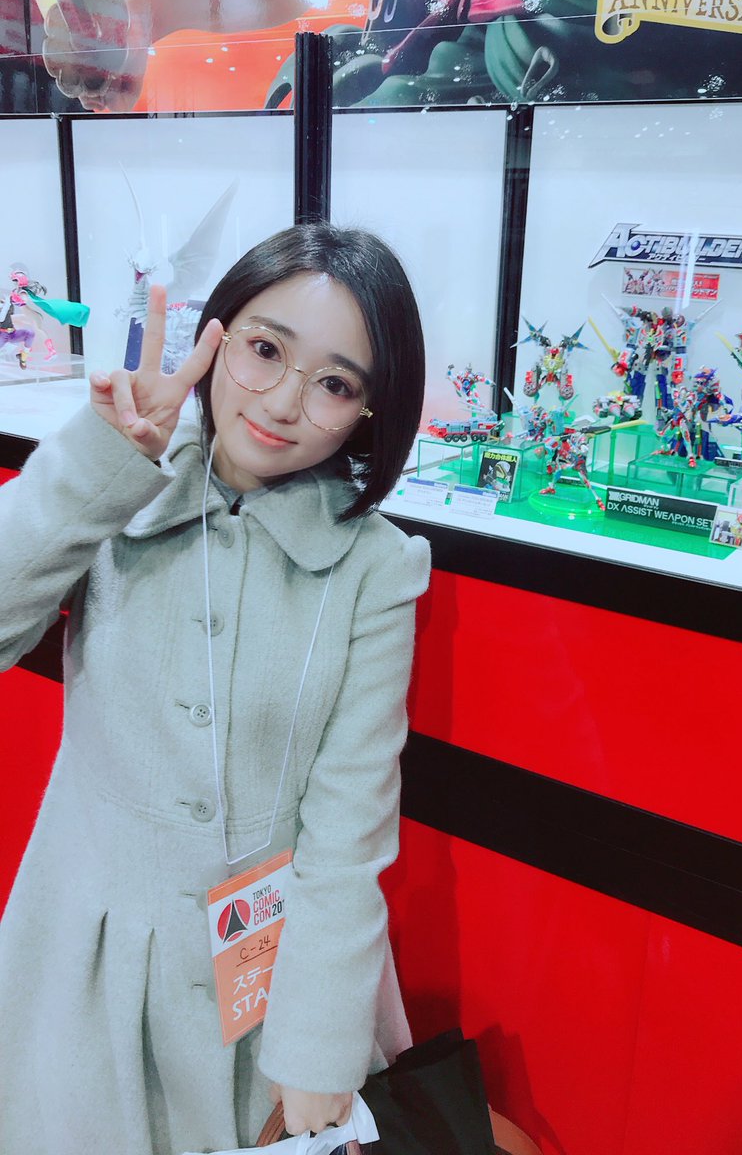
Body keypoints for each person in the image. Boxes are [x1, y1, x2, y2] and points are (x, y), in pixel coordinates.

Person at [0, 222, 431, 1153]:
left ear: (369, 410)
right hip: (87, 961)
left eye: (335, 383)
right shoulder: (123, 490)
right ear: (216, 337)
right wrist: (104, 459)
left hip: (275, 990)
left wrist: (316, 1051)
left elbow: (347, 830)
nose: (282, 401)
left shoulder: (375, 568)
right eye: (264, 351)